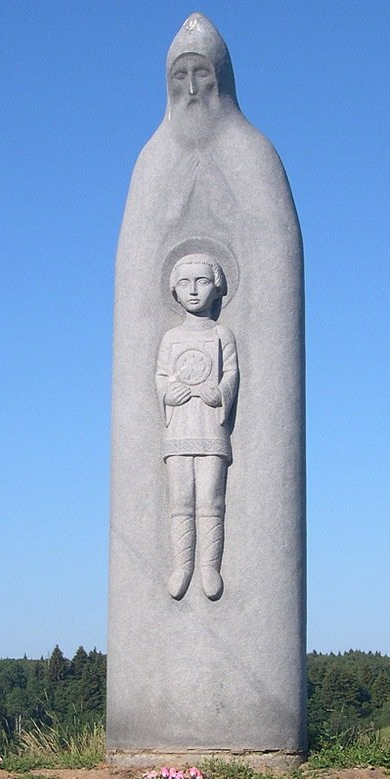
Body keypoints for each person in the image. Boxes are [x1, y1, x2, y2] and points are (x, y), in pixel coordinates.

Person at [155, 252, 238, 600]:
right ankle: (183, 565)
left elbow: (231, 373)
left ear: (216, 288)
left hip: (210, 427)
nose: (193, 291)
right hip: (179, 430)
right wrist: (168, 394)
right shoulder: (171, 338)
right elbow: (160, 376)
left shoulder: (222, 334)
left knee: (210, 499)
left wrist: (219, 392)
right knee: (181, 500)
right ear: (174, 290)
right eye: (185, 283)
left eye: (202, 282)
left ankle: (209, 566)